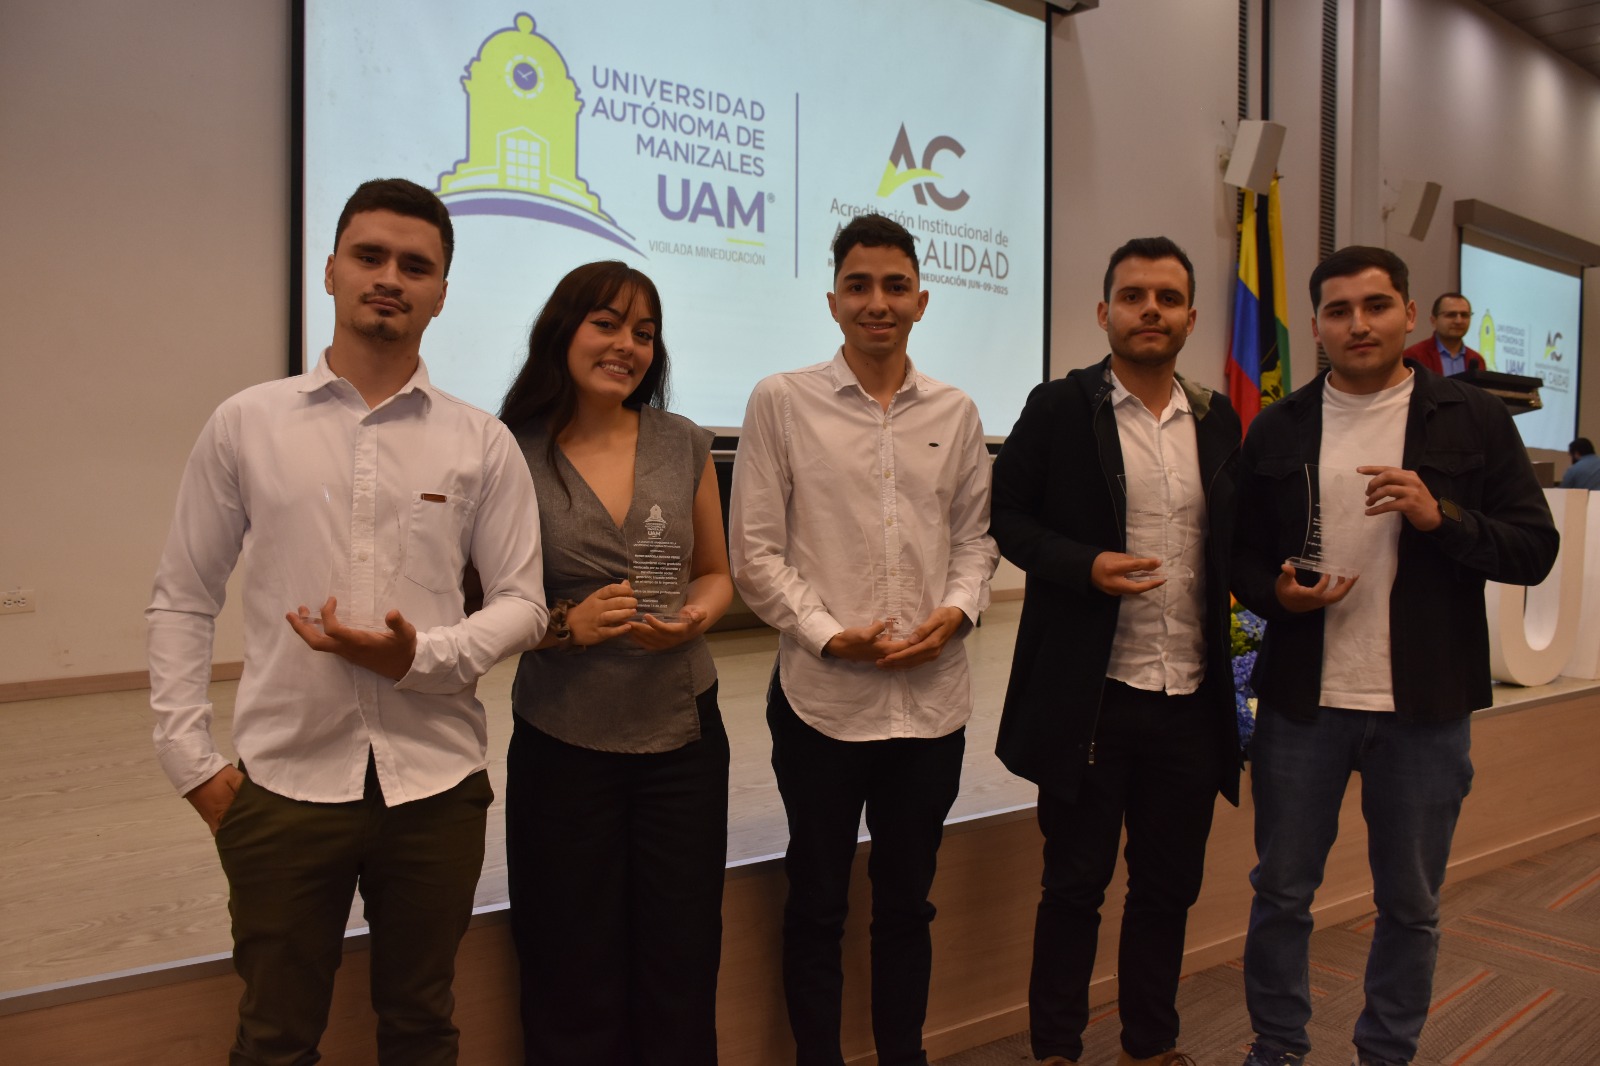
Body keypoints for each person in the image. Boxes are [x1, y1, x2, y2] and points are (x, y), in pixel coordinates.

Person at [147, 177, 548, 1064]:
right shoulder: (245, 424)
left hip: (436, 787)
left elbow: (525, 602)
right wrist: (191, 763)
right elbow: (184, 594)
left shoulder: (483, 441)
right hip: (283, 785)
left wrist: (422, 658)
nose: (390, 278)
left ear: (442, 292)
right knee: (275, 1036)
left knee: (420, 1027)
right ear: (329, 270)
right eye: (370, 256)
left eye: (416, 265)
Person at [1232, 247, 1558, 1066]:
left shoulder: (1474, 419)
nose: (1358, 324)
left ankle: (1388, 1053)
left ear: (1409, 315)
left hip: (1425, 709)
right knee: (1280, 895)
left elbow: (1533, 549)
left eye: (1376, 306)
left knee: (1410, 905)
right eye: (1338, 311)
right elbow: (1238, 558)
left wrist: (1439, 515)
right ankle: (1277, 1049)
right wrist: (1275, 595)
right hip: (1305, 706)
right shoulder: (1278, 425)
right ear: (1315, 328)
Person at [729, 213, 998, 1066]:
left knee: (906, 904)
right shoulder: (781, 400)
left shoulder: (956, 412)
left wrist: (955, 614)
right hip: (823, 702)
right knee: (815, 902)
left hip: (931, 706)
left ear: (921, 299)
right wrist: (825, 636)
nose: (876, 303)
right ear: (833, 300)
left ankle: (902, 1057)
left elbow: (975, 542)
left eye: (893, 286)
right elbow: (756, 553)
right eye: (858, 286)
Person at [991, 237, 1241, 1066]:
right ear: (1104, 313)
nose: (1151, 311)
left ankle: (1150, 1044)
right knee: (1074, 888)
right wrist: (1086, 567)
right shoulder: (1061, 408)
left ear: (1191, 319)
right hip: (1092, 696)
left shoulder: (1217, 419)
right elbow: (1009, 519)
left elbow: (1230, 543)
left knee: (1168, 889)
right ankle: (1056, 1050)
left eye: (1167, 298)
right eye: (1133, 297)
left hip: (1191, 698)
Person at [498, 261, 734, 1065]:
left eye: (644, 332)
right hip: (564, 739)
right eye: (606, 323)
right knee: (570, 956)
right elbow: (487, 611)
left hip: (683, 735)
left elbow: (715, 571)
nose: (627, 345)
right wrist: (568, 625)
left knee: (682, 952)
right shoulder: (511, 454)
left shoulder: (683, 440)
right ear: (563, 329)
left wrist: (697, 616)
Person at [1400, 293, 1483, 376]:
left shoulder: (1477, 359)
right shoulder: (1414, 356)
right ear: (1433, 320)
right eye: (1451, 315)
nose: (1459, 321)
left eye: (1464, 315)